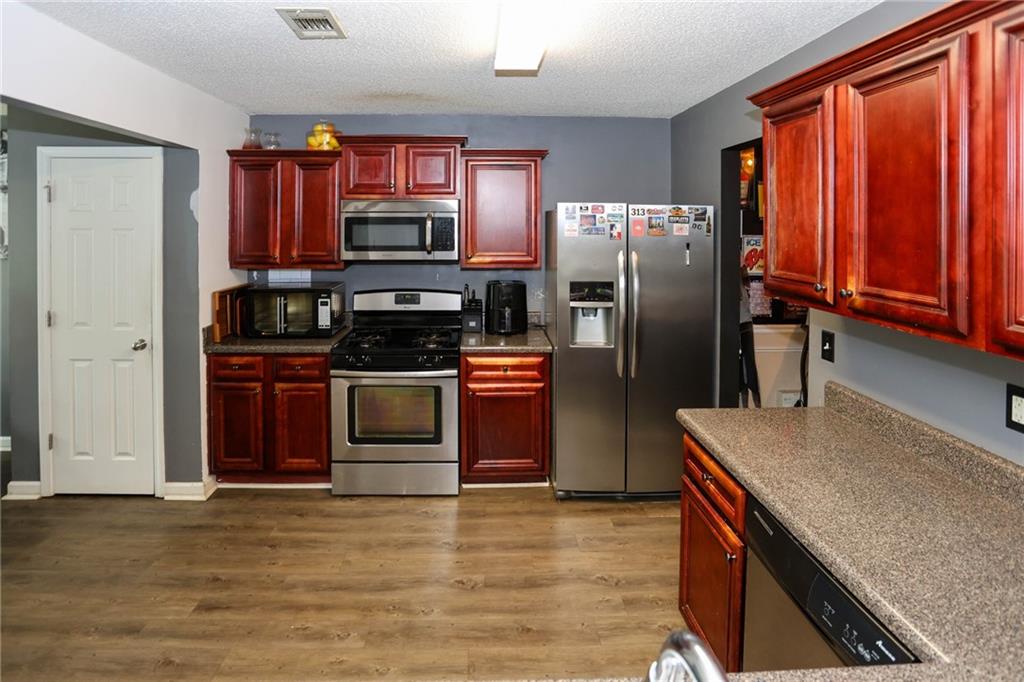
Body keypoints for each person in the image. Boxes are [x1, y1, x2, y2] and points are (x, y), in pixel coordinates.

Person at [739, 265, 761, 408]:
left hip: (743, 320)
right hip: (734, 320)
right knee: (740, 369)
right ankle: (744, 411)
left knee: (748, 368)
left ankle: (754, 409)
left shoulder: (735, 258)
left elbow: (746, 283)